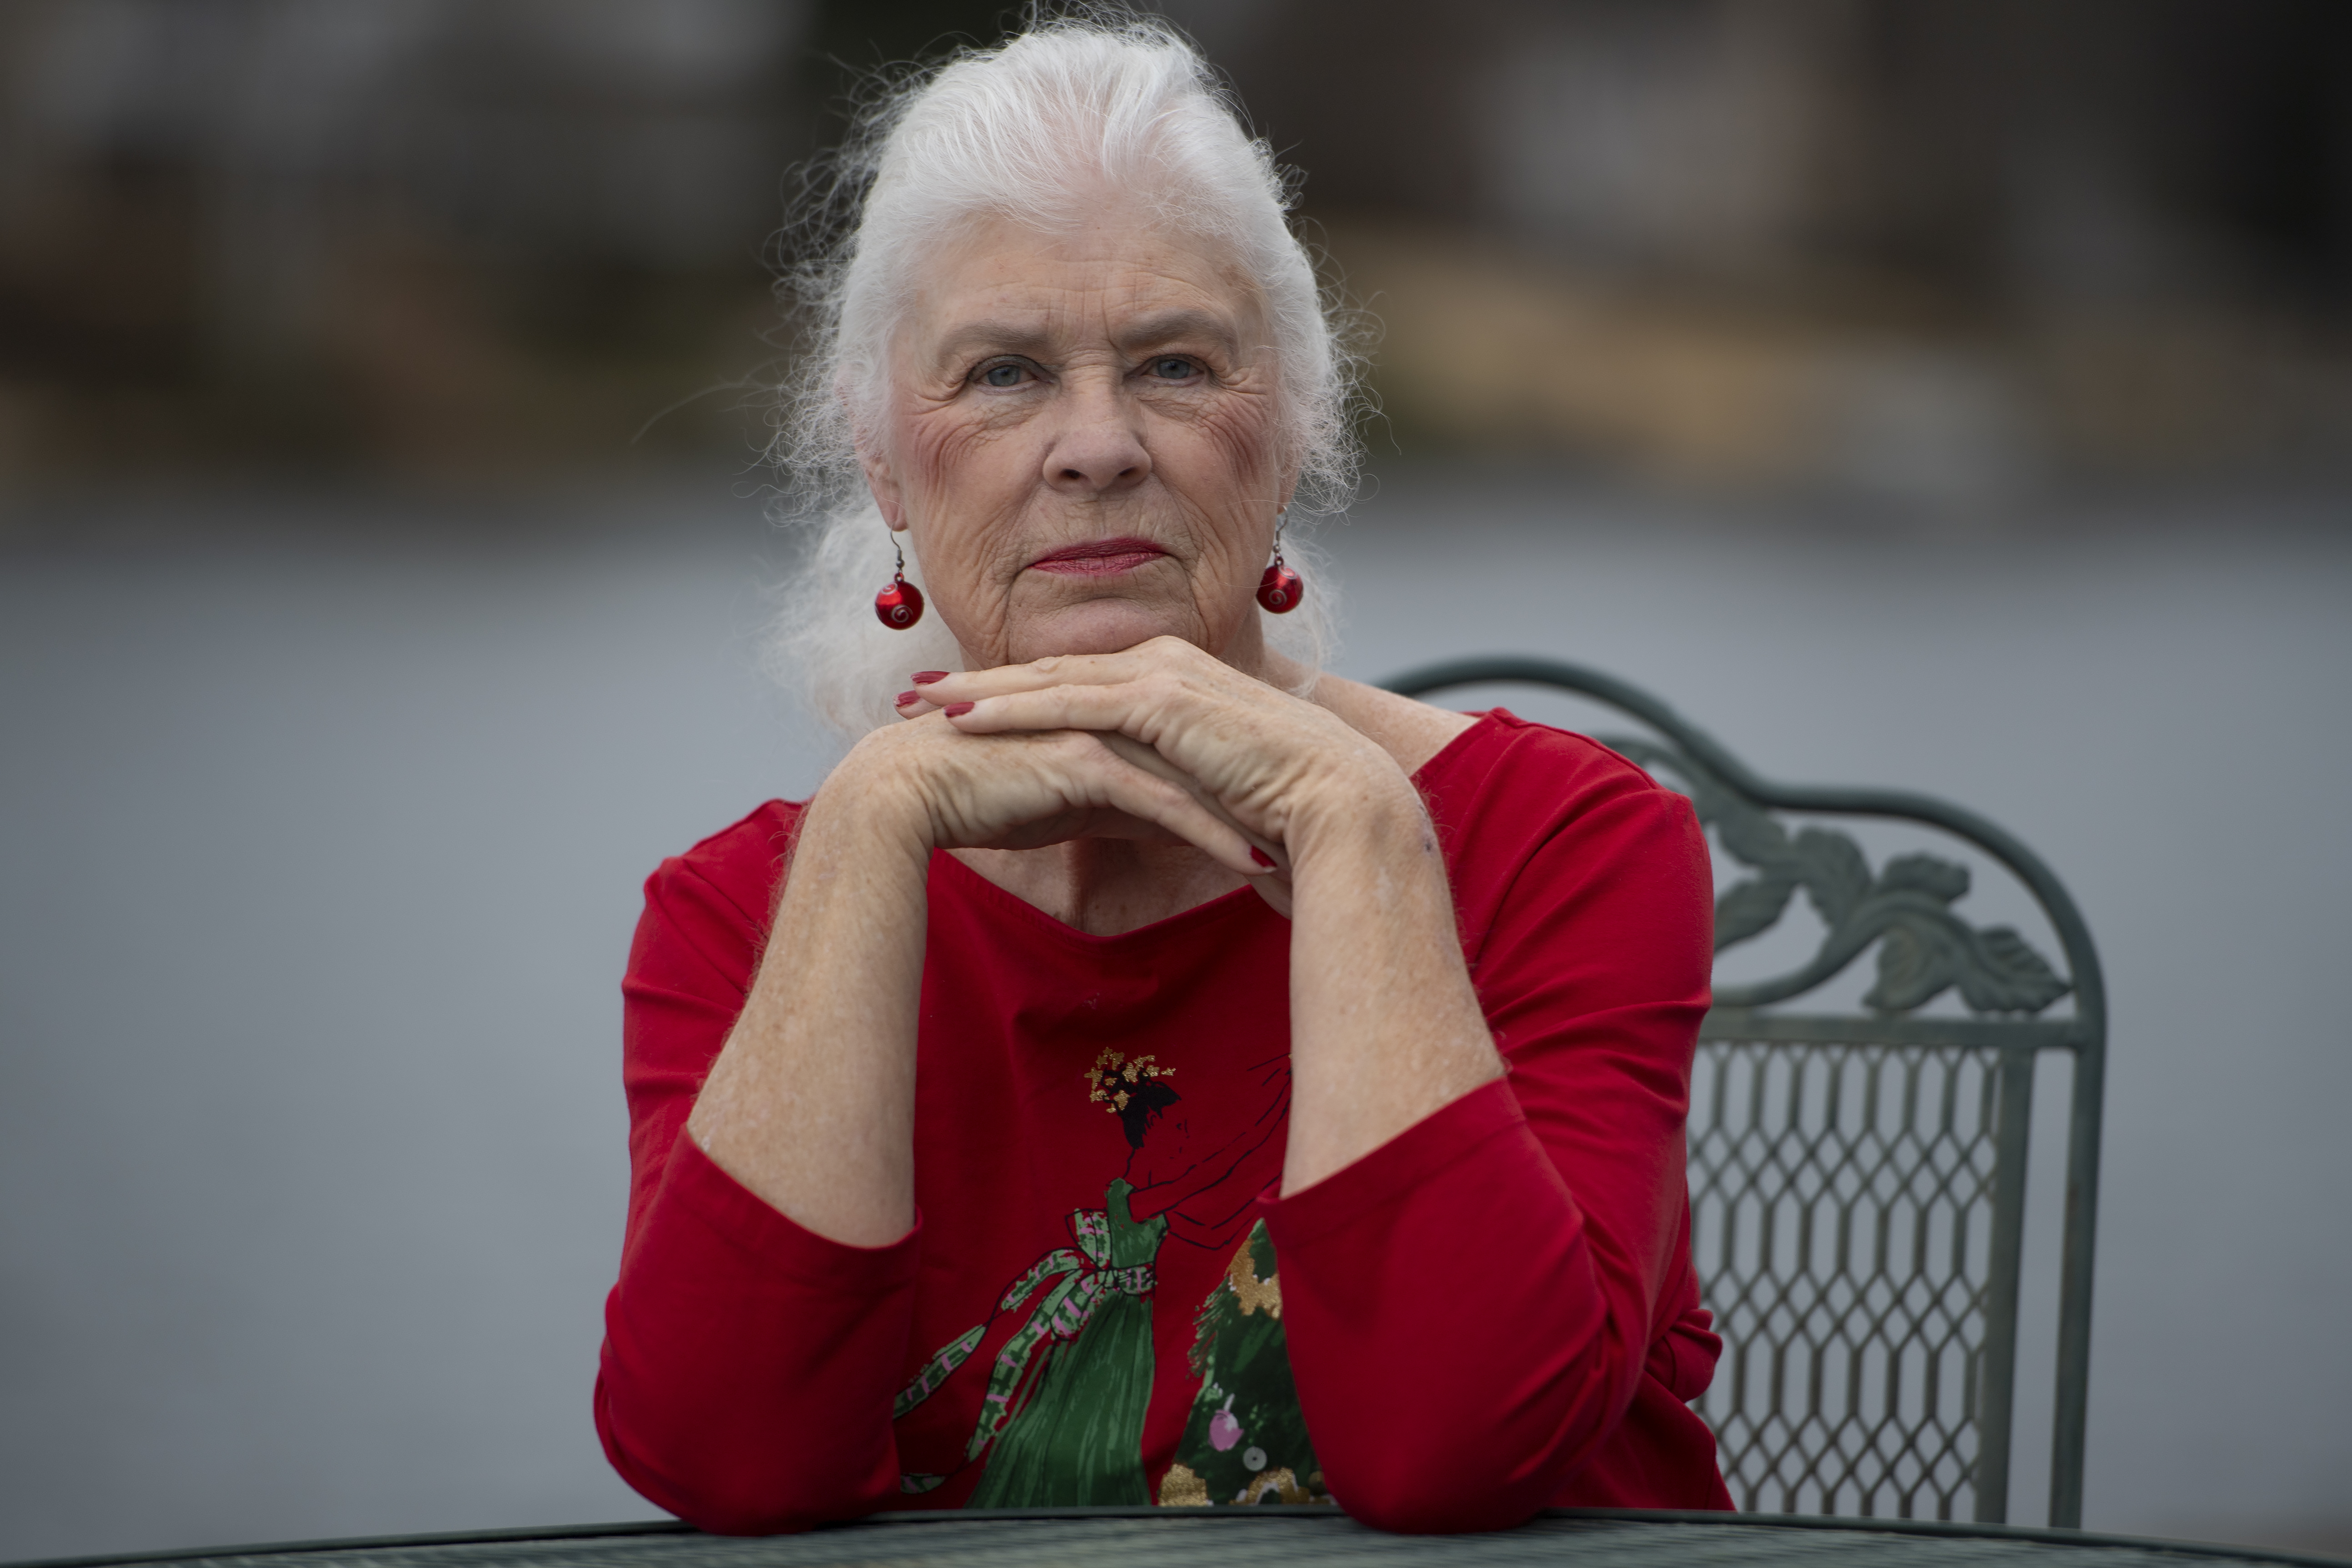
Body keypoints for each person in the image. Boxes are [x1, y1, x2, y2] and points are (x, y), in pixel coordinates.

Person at [594, 14, 1732, 1534]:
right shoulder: (738, 916)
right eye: (1001, 373)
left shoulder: (1564, 845)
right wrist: (873, 824)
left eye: (1175, 364)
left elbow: (1456, 1458)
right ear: (881, 461)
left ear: (1295, 427)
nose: (1094, 446)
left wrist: (1349, 828)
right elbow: (725, 1467)